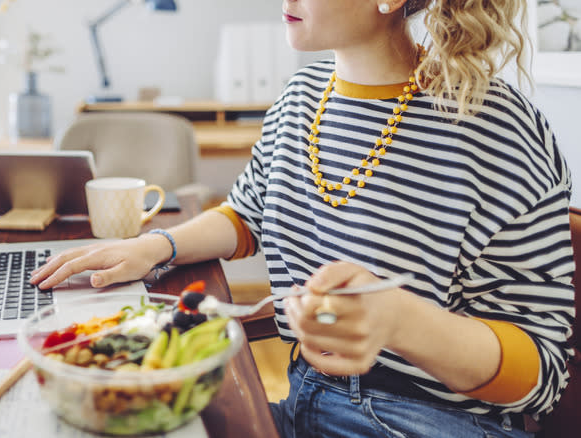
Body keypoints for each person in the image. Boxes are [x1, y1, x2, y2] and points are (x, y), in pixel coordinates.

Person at [31, 0, 575, 436]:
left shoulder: (499, 128)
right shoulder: (301, 97)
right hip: (303, 399)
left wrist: (400, 322)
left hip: (433, 420)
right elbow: (248, 214)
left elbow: (543, 375)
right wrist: (154, 247)